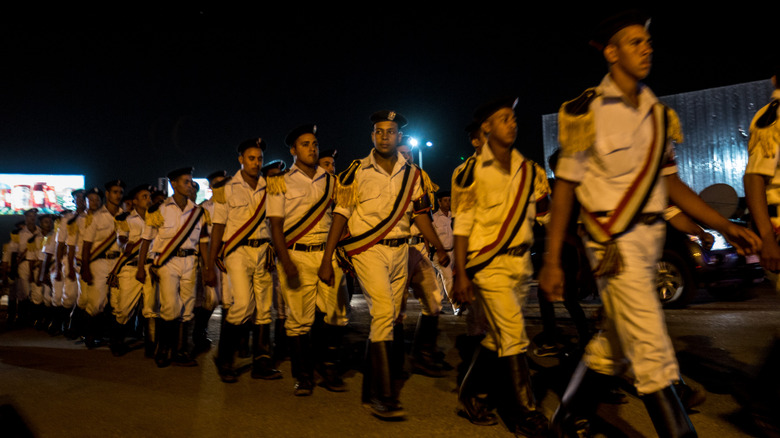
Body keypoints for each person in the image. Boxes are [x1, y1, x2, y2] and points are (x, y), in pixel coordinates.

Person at [537, 10, 761, 437]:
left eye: (648, 42)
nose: (647, 48)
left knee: (615, 345)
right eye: (636, 42)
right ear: (611, 52)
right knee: (651, 348)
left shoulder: (658, 115)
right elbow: (565, 188)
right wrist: (551, 261)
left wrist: (722, 224)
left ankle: (565, 419)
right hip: (611, 246)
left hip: (650, 241)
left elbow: (671, 185)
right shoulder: (586, 111)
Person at [317, 110, 450, 420]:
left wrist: (439, 246)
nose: (385, 136)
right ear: (372, 136)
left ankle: (372, 387)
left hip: (400, 250)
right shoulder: (356, 171)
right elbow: (341, 214)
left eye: (391, 131)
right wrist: (327, 257)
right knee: (383, 312)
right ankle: (383, 394)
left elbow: (419, 215)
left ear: (399, 137)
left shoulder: (413, 173)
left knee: (389, 316)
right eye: (379, 131)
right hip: (368, 251)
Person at [451, 97, 551, 437]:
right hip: (489, 264)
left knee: (497, 338)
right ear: (487, 128)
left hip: (522, 263)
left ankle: (469, 392)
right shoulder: (469, 172)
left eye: (514, 118)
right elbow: (462, 225)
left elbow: (547, 214)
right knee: (513, 335)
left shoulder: (531, 170)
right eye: (504, 118)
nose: (513, 123)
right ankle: (526, 413)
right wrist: (460, 272)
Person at [268, 124, 349, 395]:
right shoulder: (280, 182)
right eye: (305, 144)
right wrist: (285, 260)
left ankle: (329, 368)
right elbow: (275, 226)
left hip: (326, 254)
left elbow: (340, 216)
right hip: (296, 255)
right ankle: (303, 376)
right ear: (293, 150)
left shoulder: (330, 180)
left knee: (338, 314)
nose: (312, 148)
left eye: (314, 143)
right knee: (299, 320)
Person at [205, 139, 281, 383]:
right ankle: (225, 358)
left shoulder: (271, 186)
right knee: (243, 305)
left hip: (263, 252)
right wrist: (210, 263)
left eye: (259, 158)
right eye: (251, 158)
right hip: (238, 252)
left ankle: (262, 361)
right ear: (240, 159)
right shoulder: (226, 189)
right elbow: (218, 226)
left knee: (264, 308)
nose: (256, 163)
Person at [742, 62, 780, 437]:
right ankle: (763, 400)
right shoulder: (772, 118)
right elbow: (754, 177)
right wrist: (767, 238)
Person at [136, 168, 209, 368]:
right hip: (167, 263)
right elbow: (146, 240)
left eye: (191, 182)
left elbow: (203, 241)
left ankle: (181, 350)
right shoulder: (158, 210)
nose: (190, 185)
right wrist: (141, 267)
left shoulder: (199, 212)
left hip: (190, 262)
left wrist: (208, 267)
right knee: (169, 306)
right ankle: (163, 349)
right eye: (185, 181)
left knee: (188, 305)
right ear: (173, 184)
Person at [396, 136, 449, 378]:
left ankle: (423, 354)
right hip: (396, 247)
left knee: (434, 301)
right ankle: (395, 358)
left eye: (409, 152)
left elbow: (424, 215)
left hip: (418, 247)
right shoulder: (388, 180)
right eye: (402, 152)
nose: (406, 156)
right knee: (396, 307)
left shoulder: (420, 178)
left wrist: (433, 245)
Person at [533, 149, 592, 358]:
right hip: (570, 247)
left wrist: (578, 253)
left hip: (571, 248)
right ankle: (583, 339)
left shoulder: (569, 189)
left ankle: (555, 340)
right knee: (564, 298)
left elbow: (573, 227)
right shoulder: (574, 187)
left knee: (556, 295)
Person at [108, 184, 156, 357]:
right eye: (144, 196)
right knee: (124, 309)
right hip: (131, 267)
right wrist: (124, 244)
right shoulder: (125, 219)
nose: (148, 199)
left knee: (151, 308)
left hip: (150, 266)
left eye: (149, 196)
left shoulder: (156, 218)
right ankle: (117, 341)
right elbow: (121, 239)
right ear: (134, 201)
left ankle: (151, 345)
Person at [80, 179, 125, 348]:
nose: (118, 195)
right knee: (97, 303)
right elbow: (86, 244)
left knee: (118, 302)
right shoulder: (96, 217)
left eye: (120, 192)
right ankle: (90, 336)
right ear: (107, 194)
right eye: (115, 192)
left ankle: (115, 340)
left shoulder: (126, 216)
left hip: (118, 263)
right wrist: (85, 268)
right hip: (99, 263)